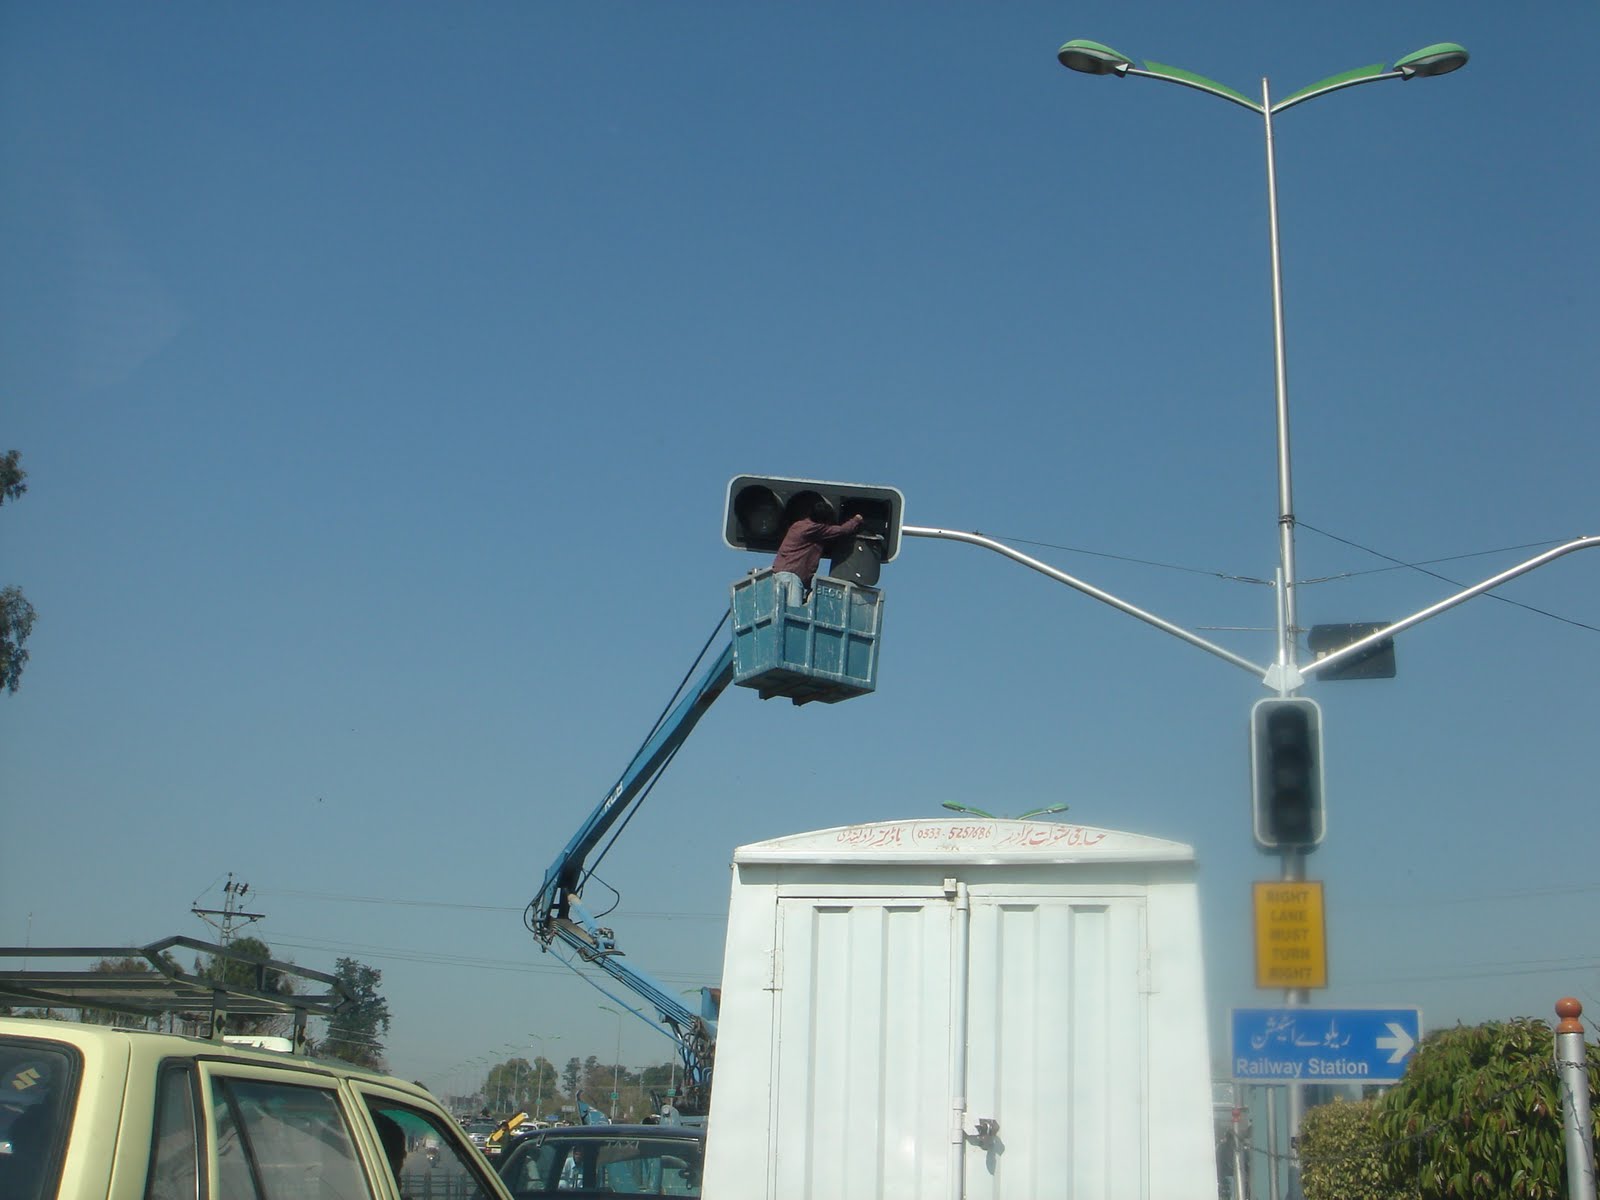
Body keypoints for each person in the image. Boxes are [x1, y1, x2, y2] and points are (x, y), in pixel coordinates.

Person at [771, 500, 864, 607]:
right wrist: (856, 520)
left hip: (779, 574)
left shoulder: (798, 525)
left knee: (781, 611)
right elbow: (842, 530)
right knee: (793, 614)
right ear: (823, 521)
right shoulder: (813, 529)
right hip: (792, 576)